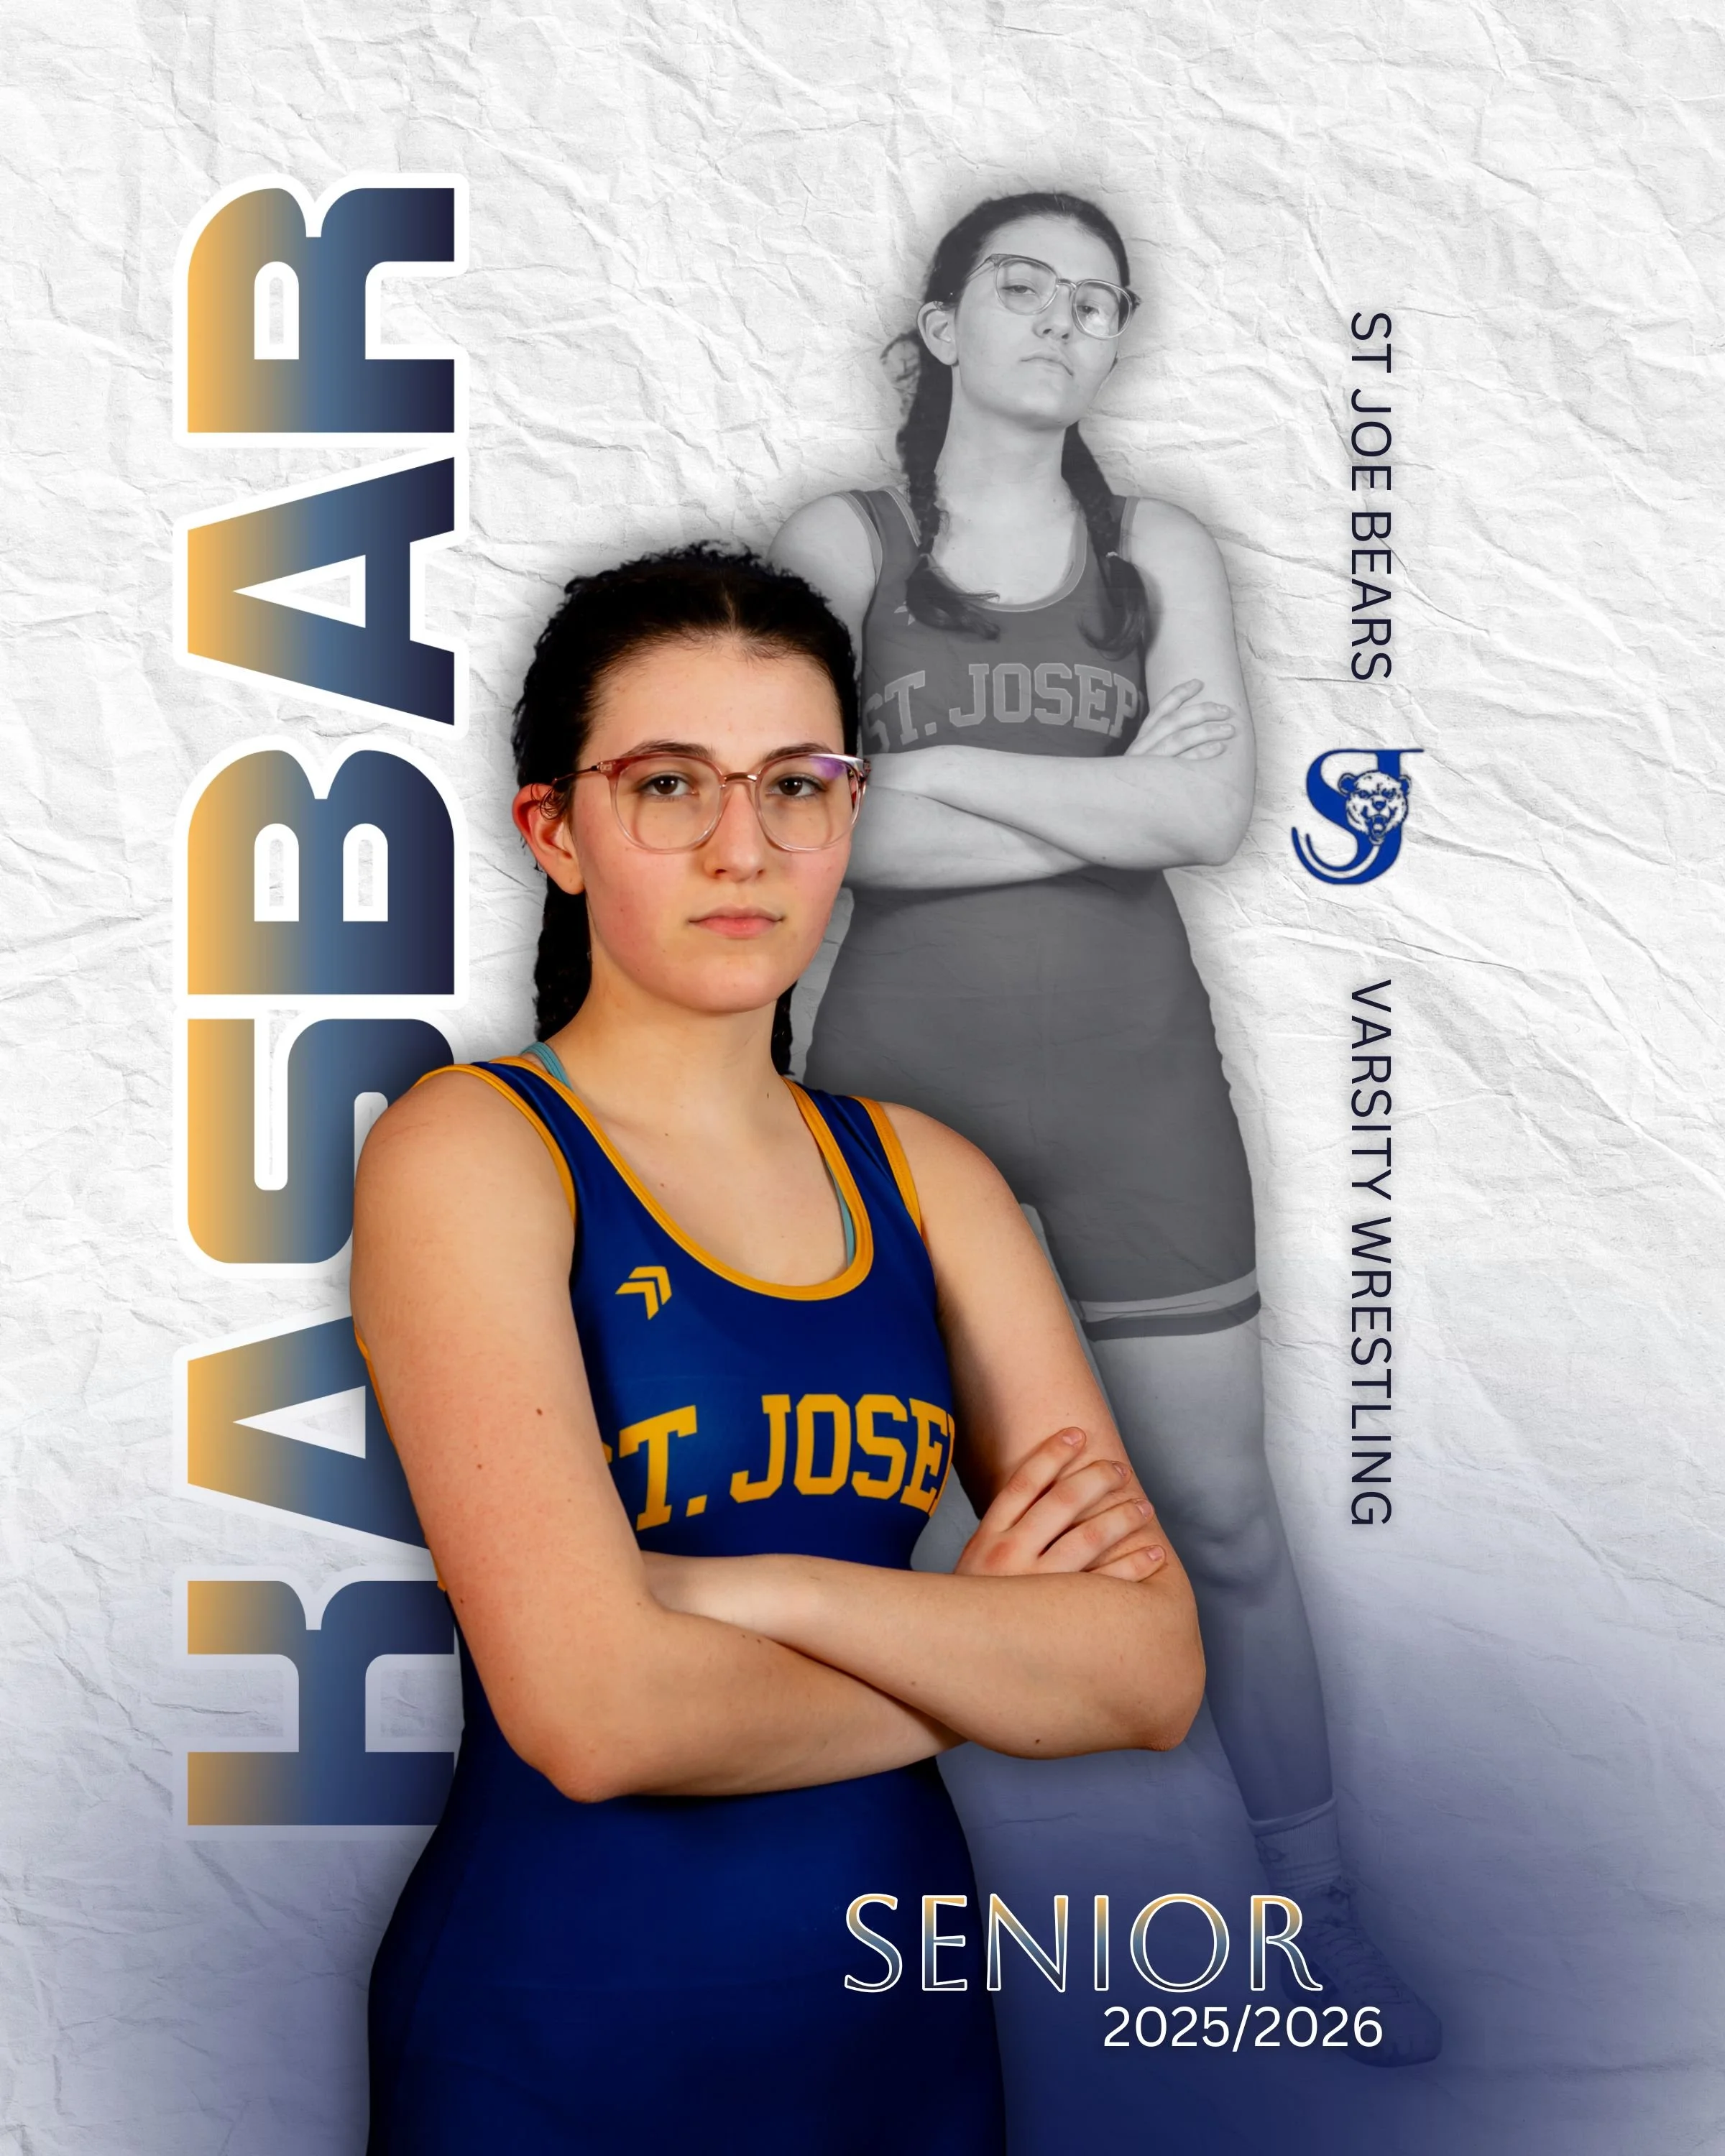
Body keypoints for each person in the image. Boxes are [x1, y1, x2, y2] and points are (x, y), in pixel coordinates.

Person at [351, 544, 1207, 2154]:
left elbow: (1150, 1671)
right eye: (671, 784)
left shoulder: (929, 1178)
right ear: (557, 829)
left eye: (797, 785)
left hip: (899, 2040)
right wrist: (986, 1661)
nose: (743, 846)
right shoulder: (469, 1153)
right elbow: (598, 1718)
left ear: (849, 816)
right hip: (554, 2044)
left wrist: (759, 1591)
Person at [771, 191, 1440, 2063]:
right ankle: (781, 1947)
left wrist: (940, 770)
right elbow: (822, 827)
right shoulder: (841, 541)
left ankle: (1320, 1924)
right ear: (942, 320)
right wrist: (1084, 787)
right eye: (1025, 289)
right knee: (848, 1532)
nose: (1065, 322)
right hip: (899, 1123)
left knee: (1222, 1523)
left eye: (1098, 301)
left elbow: (1209, 822)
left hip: (1147, 1105)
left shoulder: (1162, 549)